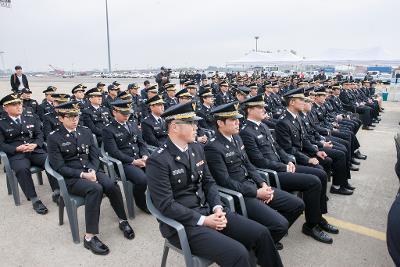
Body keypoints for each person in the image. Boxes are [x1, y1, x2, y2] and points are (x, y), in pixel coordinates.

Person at [146, 101, 283, 267]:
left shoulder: (196, 148)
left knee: (262, 233)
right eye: (191, 123)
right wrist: (204, 220)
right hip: (186, 224)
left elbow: (209, 182)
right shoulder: (158, 160)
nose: (196, 126)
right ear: (174, 127)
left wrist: (217, 207)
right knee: (238, 253)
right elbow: (166, 205)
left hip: (211, 211)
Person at [204, 101, 305, 249]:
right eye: (233, 120)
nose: (237, 122)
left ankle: (266, 242)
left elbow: (248, 165)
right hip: (240, 195)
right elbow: (224, 181)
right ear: (220, 122)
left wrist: (263, 184)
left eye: (237, 119)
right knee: (281, 225)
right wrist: (256, 192)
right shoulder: (213, 147)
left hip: (254, 186)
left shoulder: (236, 137)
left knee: (297, 205)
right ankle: (261, 245)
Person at [240, 94, 338, 243]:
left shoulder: (264, 126)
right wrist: (284, 166)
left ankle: (318, 218)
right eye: (259, 107)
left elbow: (277, 148)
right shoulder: (246, 131)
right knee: (313, 181)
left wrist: (288, 160)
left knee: (320, 173)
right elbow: (258, 161)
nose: (264, 109)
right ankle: (311, 225)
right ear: (249, 110)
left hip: (283, 166)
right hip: (273, 173)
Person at [47, 101, 135, 255]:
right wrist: (83, 175)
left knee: (111, 184)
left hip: (90, 170)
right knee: (96, 189)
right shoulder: (54, 137)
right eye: (70, 116)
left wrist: (92, 170)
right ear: (60, 118)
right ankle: (90, 237)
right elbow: (59, 167)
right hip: (72, 177)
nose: (75, 119)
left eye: (76, 116)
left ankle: (122, 220)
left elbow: (95, 155)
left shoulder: (85, 131)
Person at [0, 93, 59, 214]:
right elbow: (1, 144)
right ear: (5, 108)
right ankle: (34, 199)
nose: (18, 107)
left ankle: (57, 191)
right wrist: (16, 149)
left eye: (19, 103)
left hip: (34, 150)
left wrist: (36, 144)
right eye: (14, 105)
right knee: (22, 169)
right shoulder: (1, 122)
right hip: (17, 154)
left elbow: (39, 134)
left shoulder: (29, 116)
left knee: (51, 160)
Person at [102, 99, 150, 214]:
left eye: (128, 113)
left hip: (140, 158)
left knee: (160, 170)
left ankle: (157, 200)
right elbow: (114, 152)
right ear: (114, 112)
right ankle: (140, 202)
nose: (126, 116)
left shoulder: (132, 124)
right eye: (123, 113)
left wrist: (144, 155)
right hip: (124, 163)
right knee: (142, 179)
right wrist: (133, 161)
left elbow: (141, 143)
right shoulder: (108, 129)